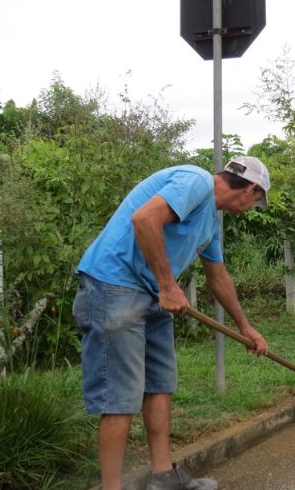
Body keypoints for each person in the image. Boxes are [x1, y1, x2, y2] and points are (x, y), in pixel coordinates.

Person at [73, 156, 272, 490]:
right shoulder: (195, 181)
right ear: (251, 189)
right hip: (114, 288)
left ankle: (164, 477)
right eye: (256, 201)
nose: (251, 208)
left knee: (160, 385)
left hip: (151, 296)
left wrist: (245, 326)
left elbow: (218, 276)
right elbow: (145, 218)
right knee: (120, 399)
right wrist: (168, 285)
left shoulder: (211, 222)